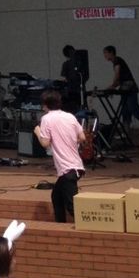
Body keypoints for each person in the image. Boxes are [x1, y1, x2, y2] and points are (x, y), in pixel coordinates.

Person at [35, 89, 86, 223]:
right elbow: (82, 137)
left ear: (45, 105)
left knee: (72, 207)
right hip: (76, 166)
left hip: (67, 169)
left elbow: (45, 143)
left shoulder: (46, 118)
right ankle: (60, 224)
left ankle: (86, 231)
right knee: (56, 196)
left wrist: (38, 132)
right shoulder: (70, 116)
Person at [102, 44, 139, 139]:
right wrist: (112, 87)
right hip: (124, 89)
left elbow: (117, 76)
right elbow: (118, 80)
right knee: (125, 111)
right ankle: (125, 133)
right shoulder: (115, 62)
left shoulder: (117, 61)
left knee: (134, 108)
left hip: (130, 89)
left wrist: (112, 87)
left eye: (106, 53)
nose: (105, 55)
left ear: (111, 52)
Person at [59, 45, 83, 113]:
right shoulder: (81, 63)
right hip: (79, 91)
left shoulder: (66, 64)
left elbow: (65, 79)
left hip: (70, 91)